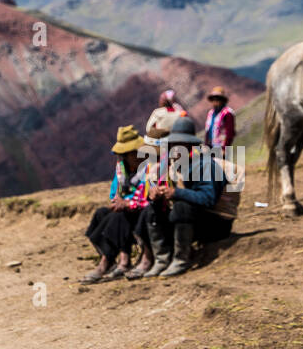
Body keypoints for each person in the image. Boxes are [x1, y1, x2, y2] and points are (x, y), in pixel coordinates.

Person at [146, 116, 235, 277]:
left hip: (217, 223)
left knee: (182, 207)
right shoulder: (180, 166)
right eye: (172, 145)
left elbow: (208, 199)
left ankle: (181, 259)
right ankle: (162, 259)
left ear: (189, 145)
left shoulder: (206, 165)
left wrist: (176, 193)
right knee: (152, 210)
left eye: (178, 145)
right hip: (196, 219)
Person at [81, 126, 150, 283]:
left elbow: (145, 192)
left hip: (141, 208)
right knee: (101, 214)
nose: (134, 156)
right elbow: (115, 192)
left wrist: (127, 202)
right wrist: (117, 200)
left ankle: (117, 261)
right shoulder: (121, 171)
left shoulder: (148, 167)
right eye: (130, 154)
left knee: (119, 217)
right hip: (126, 206)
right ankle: (112, 258)